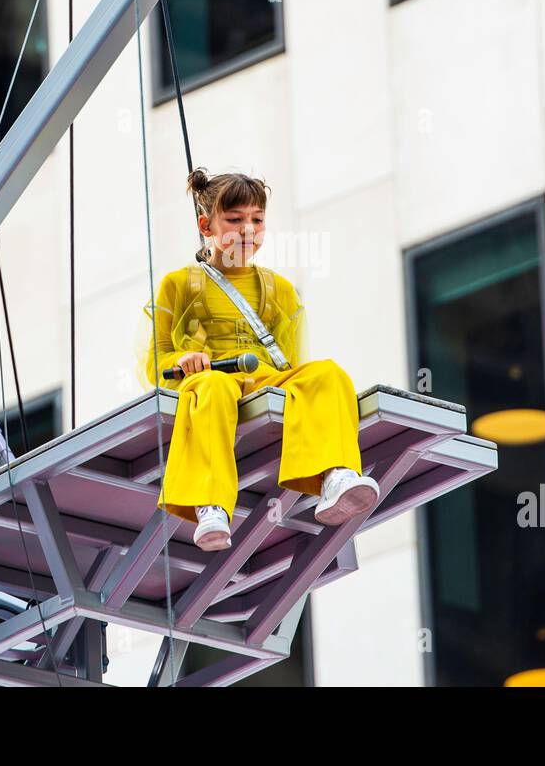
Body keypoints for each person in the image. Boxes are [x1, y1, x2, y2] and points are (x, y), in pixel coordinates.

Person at [136, 168, 379, 551]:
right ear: (206, 225)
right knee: (211, 389)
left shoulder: (279, 290)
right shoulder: (180, 285)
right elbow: (155, 362)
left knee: (327, 374)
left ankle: (335, 475)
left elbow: (292, 364)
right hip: (212, 377)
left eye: (257, 220)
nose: (247, 229)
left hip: (263, 378)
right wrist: (185, 361)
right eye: (234, 220)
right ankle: (211, 504)